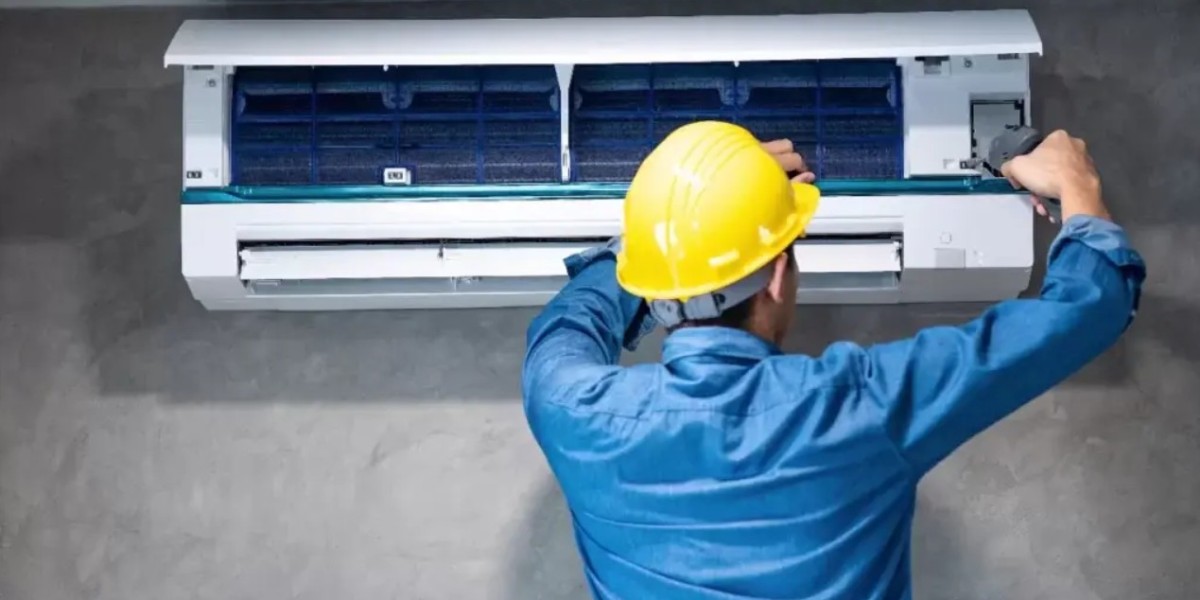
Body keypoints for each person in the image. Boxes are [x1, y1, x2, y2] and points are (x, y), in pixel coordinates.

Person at [521, 121, 1145, 600]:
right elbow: (1088, 308)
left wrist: (693, 214)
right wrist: (1077, 183)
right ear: (778, 277)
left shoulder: (569, 409)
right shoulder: (861, 406)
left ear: (653, 283)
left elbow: (570, 320)